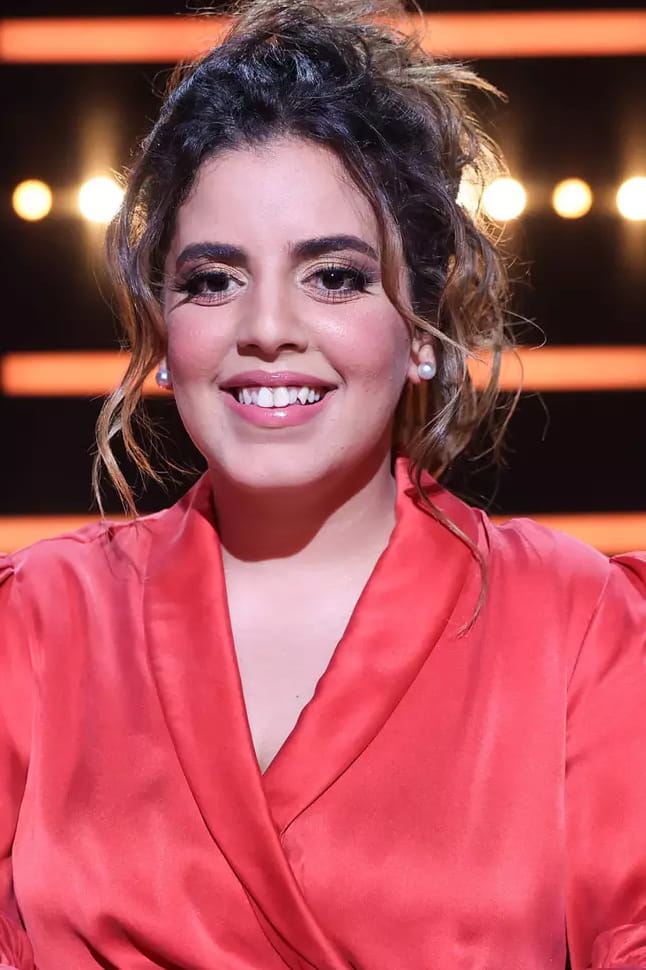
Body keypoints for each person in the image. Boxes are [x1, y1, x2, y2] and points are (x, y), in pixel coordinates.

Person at [1, 0, 645, 966]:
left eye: (334, 276)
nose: (267, 329)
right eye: (213, 280)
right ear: (163, 335)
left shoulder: (581, 626)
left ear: (423, 328)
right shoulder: (38, 624)